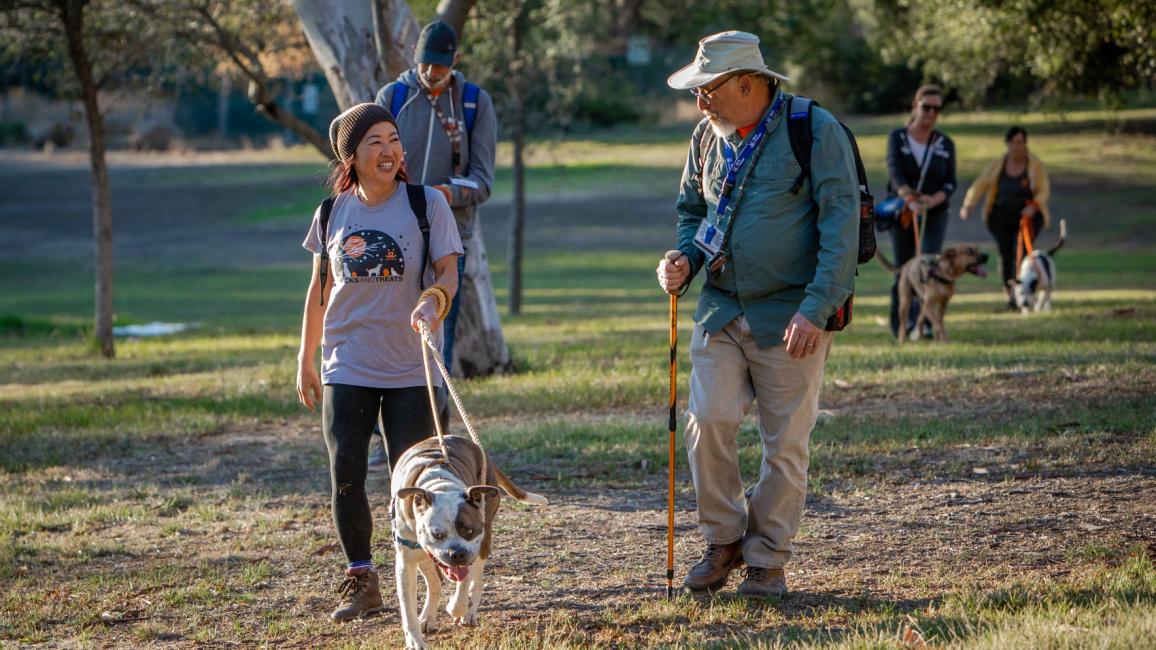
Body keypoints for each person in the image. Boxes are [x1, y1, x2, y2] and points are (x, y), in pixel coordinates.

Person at [656, 31, 858, 597]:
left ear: (746, 84)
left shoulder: (814, 130)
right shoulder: (706, 137)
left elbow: (841, 231)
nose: (700, 101)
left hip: (793, 315)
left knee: (785, 446)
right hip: (721, 307)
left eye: (707, 89)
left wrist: (816, 310)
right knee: (708, 421)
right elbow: (693, 212)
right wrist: (683, 260)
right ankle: (723, 540)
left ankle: (767, 557)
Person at [295, 103, 463, 621]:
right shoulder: (331, 213)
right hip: (346, 361)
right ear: (352, 155)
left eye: (394, 139)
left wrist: (431, 301)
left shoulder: (426, 204)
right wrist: (305, 356)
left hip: (413, 363)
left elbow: (449, 274)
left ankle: (430, 573)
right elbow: (320, 289)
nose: (389, 150)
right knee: (345, 469)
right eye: (375, 142)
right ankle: (361, 579)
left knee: (410, 478)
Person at [367, 19, 497, 470]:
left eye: (439, 68)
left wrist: (443, 194)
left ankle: (431, 441)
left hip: (446, 241)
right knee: (384, 339)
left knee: (434, 345)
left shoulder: (476, 103)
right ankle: (385, 443)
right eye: (424, 65)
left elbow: (483, 181)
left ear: (455, 62)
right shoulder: (393, 98)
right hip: (392, 243)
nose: (431, 74)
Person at [884, 84, 957, 338]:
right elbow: (894, 172)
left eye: (937, 109)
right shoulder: (898, 137)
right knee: (904, 268)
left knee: (929, 265)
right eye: (926, 107)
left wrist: (930, 201)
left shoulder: (945, 143)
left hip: (934, 211)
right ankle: (901, 325)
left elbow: (950, 183)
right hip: (904, 211)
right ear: (916, 105)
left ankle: (925, 324)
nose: (931, 113)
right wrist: (908, 197)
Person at [960, 126, 1052, 309]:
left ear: (1026, 143)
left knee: (1023, 253)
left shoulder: (1035, 165)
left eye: (1020, 142)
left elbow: (1044, 190)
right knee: (1005, 252)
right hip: (1000, 216)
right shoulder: (997, 165)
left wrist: (1034, 206)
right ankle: (1010, 293)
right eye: (1013, 142)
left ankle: (1025, 293)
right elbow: (980, 185)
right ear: (1007, 144)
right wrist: (968, 204)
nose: (1017, 147)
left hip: (1028, 216)